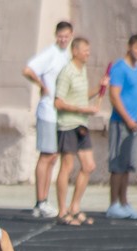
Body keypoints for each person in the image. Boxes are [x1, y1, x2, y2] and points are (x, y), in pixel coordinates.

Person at [23, 21, 74, 218]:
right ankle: (40, 201)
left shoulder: (66, 55)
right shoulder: (50, 53)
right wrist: (41, 85)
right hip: (47, 112)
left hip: (59, 114)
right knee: (47, 155)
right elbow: (28, 69)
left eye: (66, 36)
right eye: (60, 36)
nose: (63, 39)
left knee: (53, 156)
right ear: (56, 35)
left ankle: (44, 201)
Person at [53, 37, 104, 226]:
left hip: (82, 125)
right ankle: (62, 211)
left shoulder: (82, 70)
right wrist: (84, 110)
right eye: (85, 50)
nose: (88, 53)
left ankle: (75, 207)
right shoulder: (67, 72)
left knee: (89, 166)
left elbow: (82, 97)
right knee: (67, 166)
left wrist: (99, 88)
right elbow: (58, 102)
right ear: (75, 51)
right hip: (68, 125)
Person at [106, 34, 137, 220]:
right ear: (129, 47)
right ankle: (113, 204)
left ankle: (124, 202)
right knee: (117, 165)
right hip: (120, 123)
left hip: (134, 124)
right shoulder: (119, 68)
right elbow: (114, 96)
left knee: (127, 165)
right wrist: (127, 119)